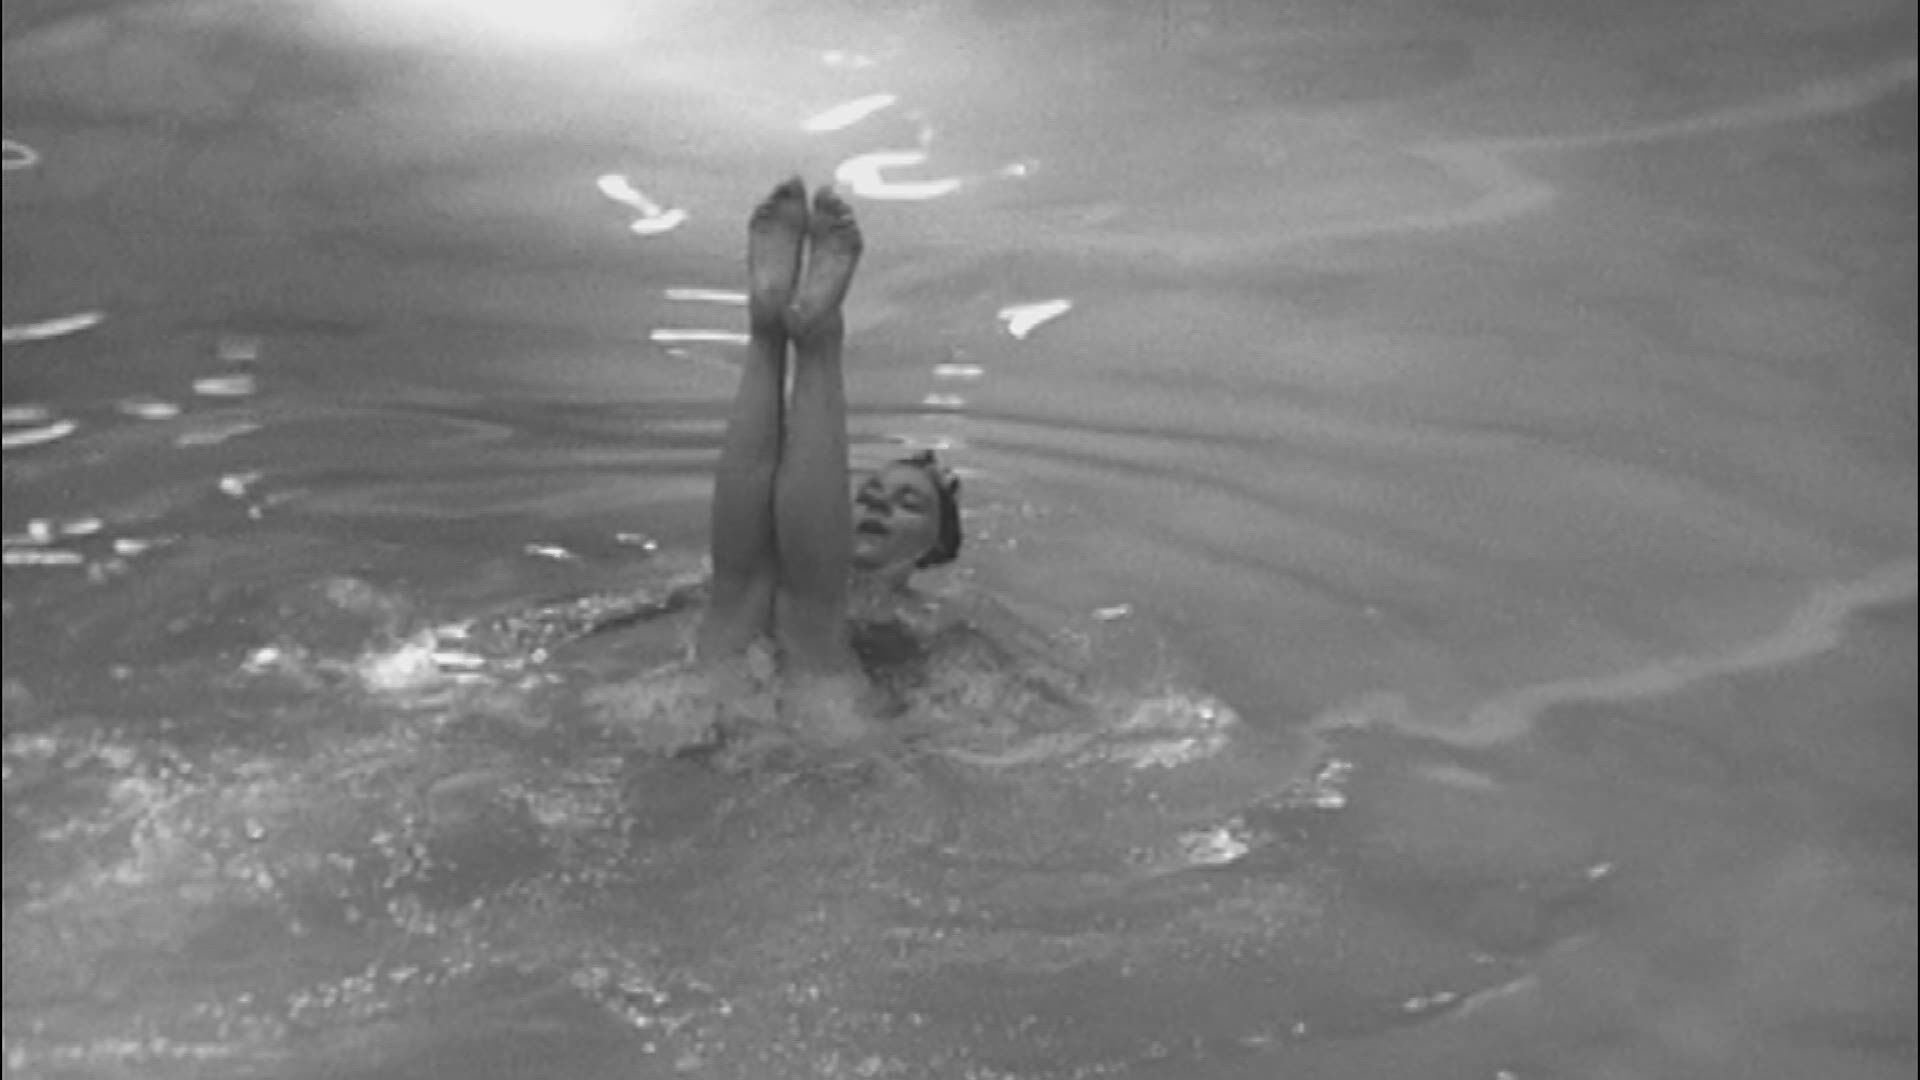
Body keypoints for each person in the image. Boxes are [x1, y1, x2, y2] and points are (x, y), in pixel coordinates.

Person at [692, 178, 962, 744]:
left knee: (761, 594)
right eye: (870, 494)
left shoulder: (928, 618)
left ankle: (775, 330)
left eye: (909, 503)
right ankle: (787, 330)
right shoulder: (928, 620)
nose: (878, 506)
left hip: (734, 707)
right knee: (763, 595)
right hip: (807, 715)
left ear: (936, 546)